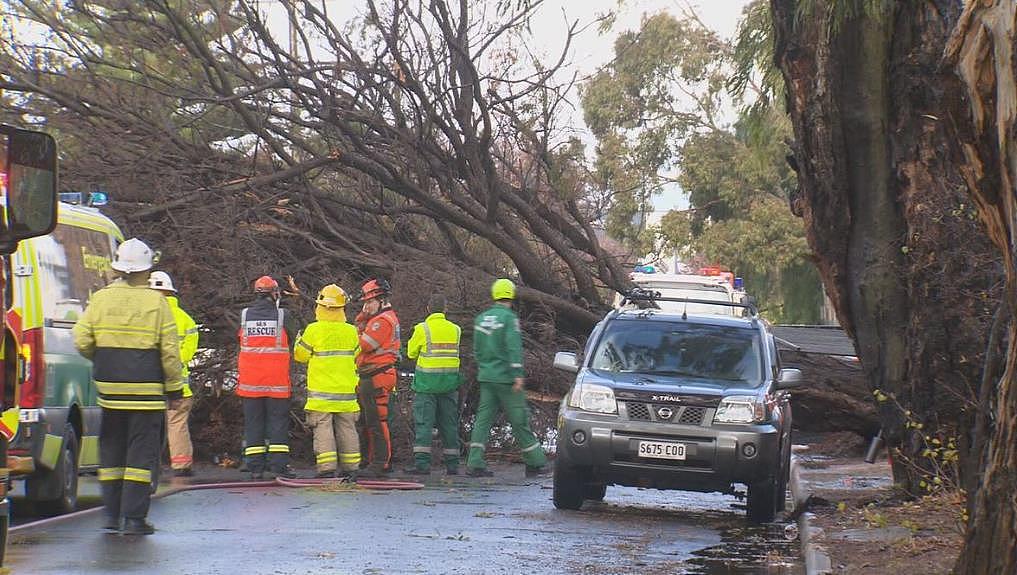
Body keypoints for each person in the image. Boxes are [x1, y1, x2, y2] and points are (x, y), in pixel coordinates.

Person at [72, 238, 183, 535]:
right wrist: (175, 389)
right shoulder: (156, 302)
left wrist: (104, 359)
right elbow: (170, 353)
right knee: (140, 457)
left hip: (110, 392)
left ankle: (110, 516)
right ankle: (134, 520)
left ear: (118, 268)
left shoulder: (101, 298)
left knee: (111, 455)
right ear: (147, 270)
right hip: (147, 395)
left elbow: (82, 340)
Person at [466, 279, 548, 478]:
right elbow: (513, 348)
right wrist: (518, 374)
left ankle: (475, 462)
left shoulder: (481, 319)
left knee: (483, 420)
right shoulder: (509, 319)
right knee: (519, 418)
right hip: (506, 379)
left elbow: (476, 350)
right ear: (511, 295)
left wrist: (485, 368)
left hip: (487, 377)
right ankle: (535, 461)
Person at [293, 285, 361, 479]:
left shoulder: (314, 330)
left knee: (323, 428)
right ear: (342, 308)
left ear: (320, 306)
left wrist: (298, 342)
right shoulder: (351, 331)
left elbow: (301, 356)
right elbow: (357, 353)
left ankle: (327, 469)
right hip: (346, 392)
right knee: (347, 428)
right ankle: (351, 469)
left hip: (321, 393)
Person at [237, 275, 298, 480]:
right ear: (274, 293)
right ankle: (279, 466)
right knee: (277, 424)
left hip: (250, 382)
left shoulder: (244, 315)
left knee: (253, 424)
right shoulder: (283, 315)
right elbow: (294, 336)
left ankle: (254, 467)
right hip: (276, 382)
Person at [404, 294, 462, 476]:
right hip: (449, 385)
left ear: (428, 309)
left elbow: (411, 353)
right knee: (449, 425)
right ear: (446, 309)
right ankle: (452, 465)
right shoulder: (456, 330)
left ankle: (422, 465)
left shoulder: (422, 329)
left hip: (426, 386)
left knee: (424, 424)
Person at [149, 271, 200, 478]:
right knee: (177, 423)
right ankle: (181, 465)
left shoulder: (146, 316)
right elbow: (188, 352)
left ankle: (148, 465)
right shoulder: (185, 319)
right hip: (179, 385)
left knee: (148, 424)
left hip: (148, 382)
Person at [354, 278, 400, 476]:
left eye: (369, 302)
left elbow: (363, 345)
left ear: (380, 300)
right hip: (375, 374)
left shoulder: (382, 321)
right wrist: (363, 317)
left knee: (376, 421)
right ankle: (375, 460)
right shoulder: (381, 318)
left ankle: (380, 462)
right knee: (371, 420)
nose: (366, 306)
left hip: (377, 375)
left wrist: (358, 328)